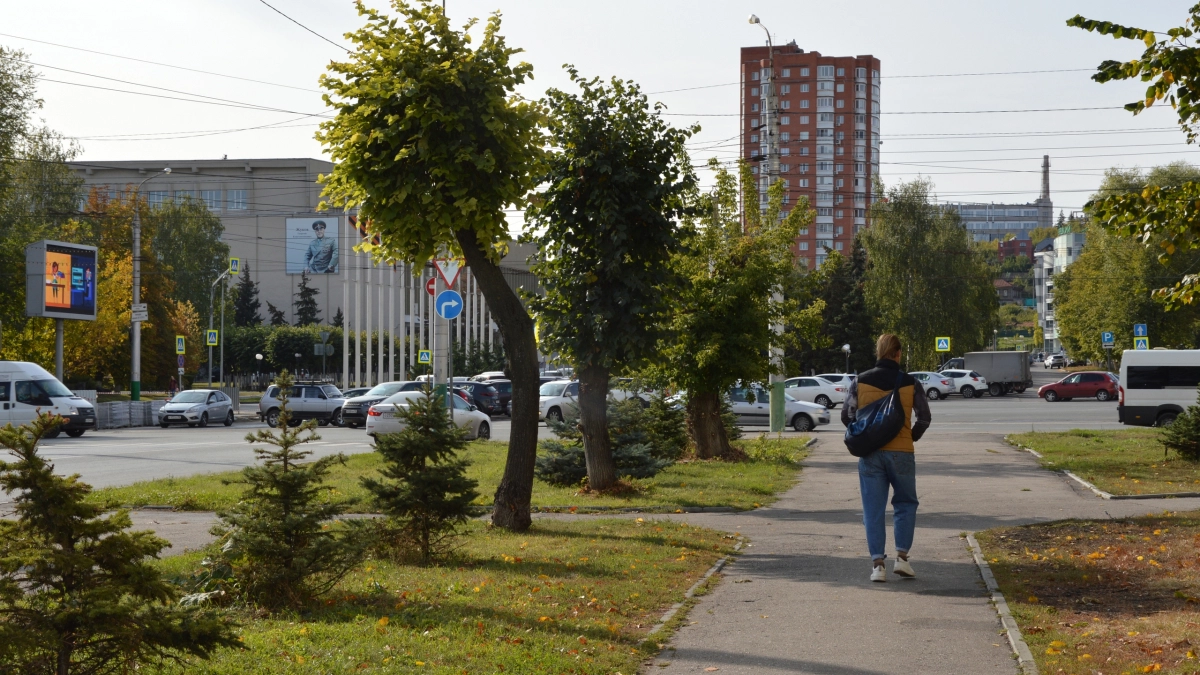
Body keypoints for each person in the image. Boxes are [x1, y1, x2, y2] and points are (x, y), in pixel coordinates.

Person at [841, 333, 931, 583]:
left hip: (870, 455)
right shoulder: (910, 382)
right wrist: (909, 437)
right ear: (898, 353)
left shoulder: (860, 381)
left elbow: (846, 417)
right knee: (905, 504)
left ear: (878, 352)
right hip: (902, 453)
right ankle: (902, 558)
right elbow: (924, 417)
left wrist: (865, 434)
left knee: (873, 509)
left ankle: (877, 565)